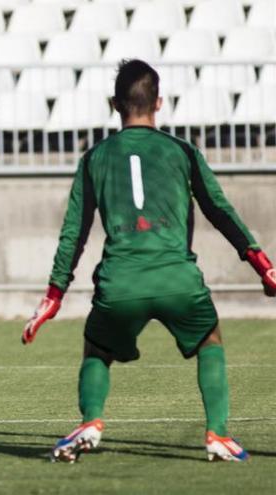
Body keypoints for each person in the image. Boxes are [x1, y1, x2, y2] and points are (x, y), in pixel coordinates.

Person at [21, 59, 276, 463]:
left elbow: (75, 232)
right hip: (178, 280)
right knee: (210, 340)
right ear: (159, 102)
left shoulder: (94, 159)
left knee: (97, 348)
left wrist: (54, 294)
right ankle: (217, 434)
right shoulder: (182, 151)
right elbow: (220, 210)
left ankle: (91, 421)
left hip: (120, 284)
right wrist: (263, 264)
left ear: (114, 104)